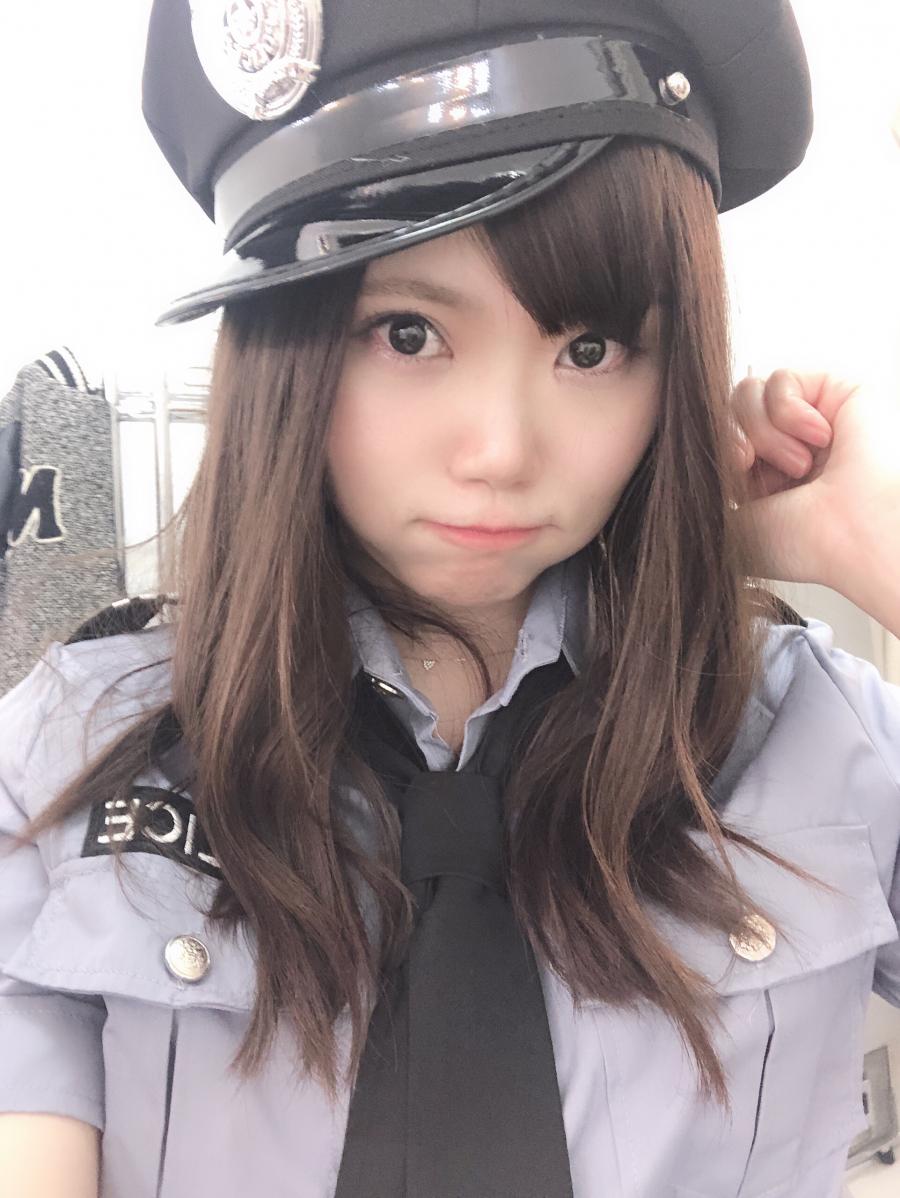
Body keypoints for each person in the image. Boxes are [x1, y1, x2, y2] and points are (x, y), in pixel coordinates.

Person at [2, 1, 900, 1196]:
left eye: (591, 349)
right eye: (411, 333)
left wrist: (881, 549)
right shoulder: (72, 755)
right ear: (287, 345)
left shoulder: (820, 736)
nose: (502, 450)